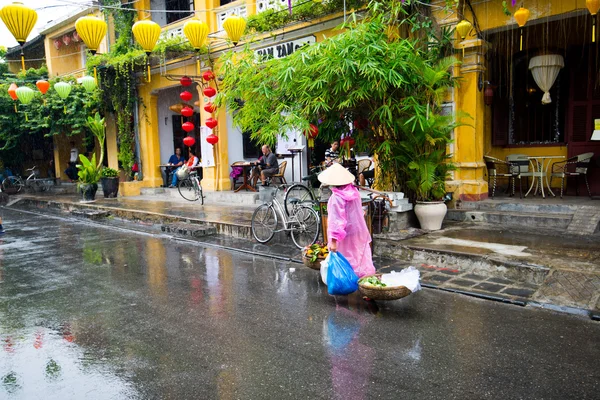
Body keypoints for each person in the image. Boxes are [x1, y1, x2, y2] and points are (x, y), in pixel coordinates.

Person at [318, 163, 375, 279]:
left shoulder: (336, 198)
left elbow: (336, 221)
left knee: (346, 259)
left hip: (344, 234)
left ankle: (349, 281)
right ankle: (364, 282)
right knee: (358, 257)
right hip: (357, 230)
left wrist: (333, 241)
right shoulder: (355, 193)